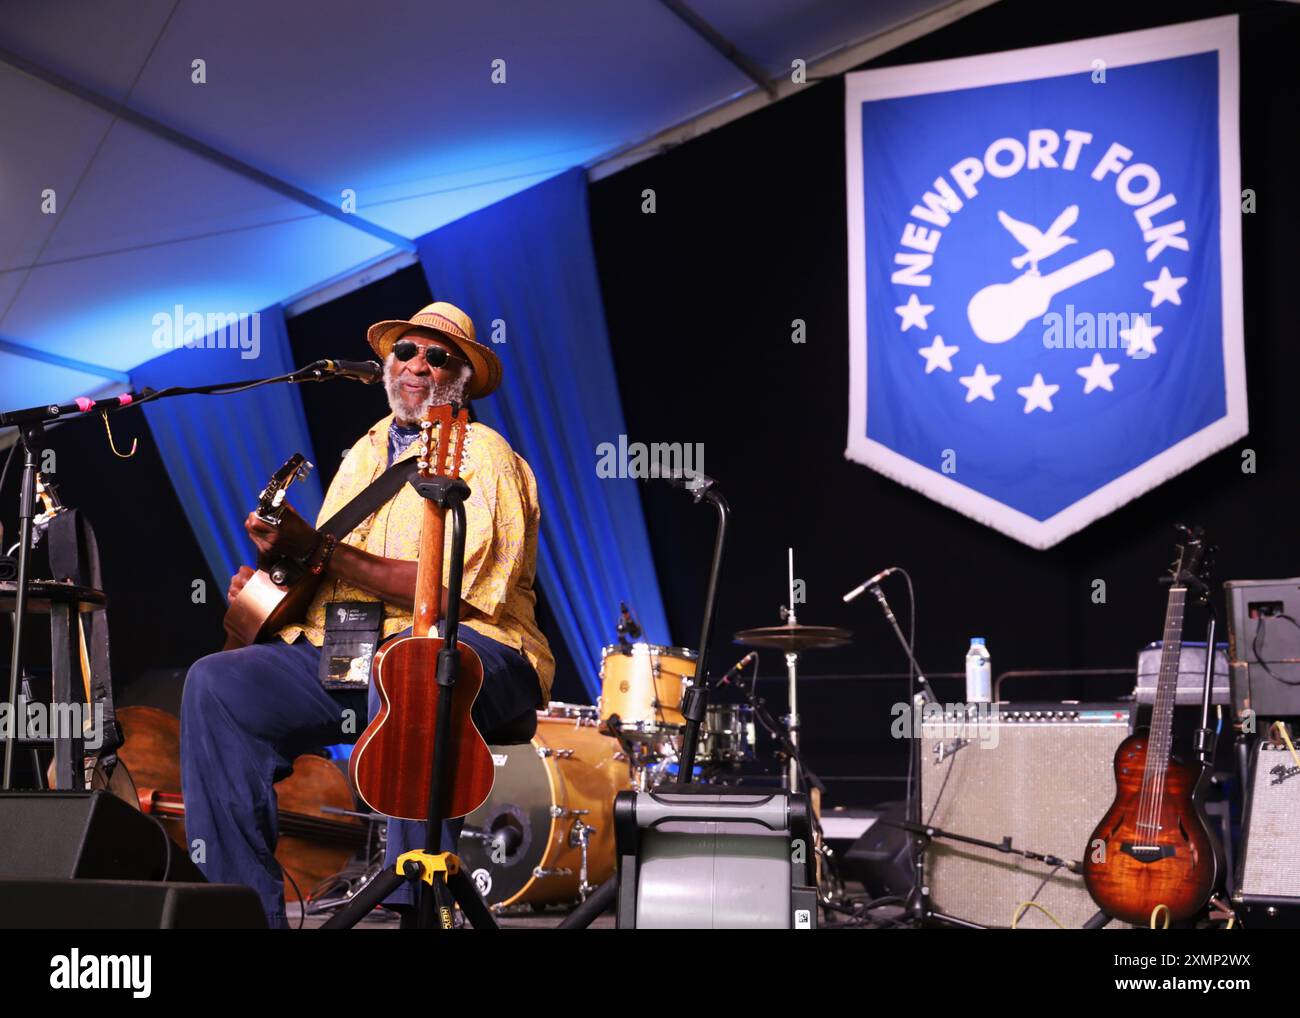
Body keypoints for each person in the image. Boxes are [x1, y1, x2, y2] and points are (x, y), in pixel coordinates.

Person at [180, 301, 554, 928]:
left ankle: (418, 904)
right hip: (356, 649)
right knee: (216, 685)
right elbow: (328, 567)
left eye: (439, 357)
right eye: (406, 351)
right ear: (385, 364)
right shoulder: (362, 453)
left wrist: (317, 548)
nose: (417, 365)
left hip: (475, 648)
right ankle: (239, 914)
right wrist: (274, 579)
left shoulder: (483, 453)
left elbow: (453, 593)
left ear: (459, 377)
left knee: (415, 663)